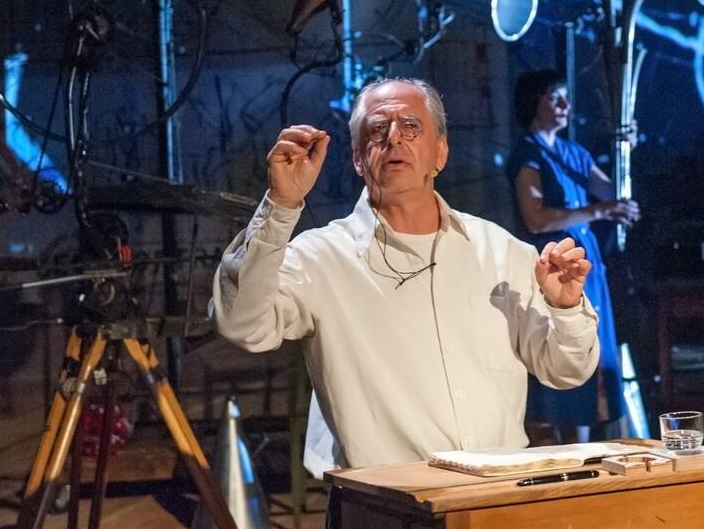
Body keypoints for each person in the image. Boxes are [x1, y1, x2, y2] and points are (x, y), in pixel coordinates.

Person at [212, 77, 600, 481]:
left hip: (496, 494)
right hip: (388, 501)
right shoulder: (320, 258)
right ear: (358, 159)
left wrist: (565, 308)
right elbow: (242, 325)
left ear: (440, 153)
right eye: (378, 129)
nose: (394, 138)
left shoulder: (500, 251)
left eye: (411, 126)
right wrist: (280, 205)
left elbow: (566, 370)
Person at [507, 70, 640, 444]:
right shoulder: (527, 156)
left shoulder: (574, 154)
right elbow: (536, 219)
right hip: (555, 267)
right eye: (554, 98)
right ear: (534, 104)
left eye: (565, 97)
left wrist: (625, 151)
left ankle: (583, 447)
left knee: (590, 351)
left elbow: (611, 192)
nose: (565, 105)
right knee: (563, 351)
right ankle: (563, 447)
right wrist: (598, 211)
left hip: (586, 266)